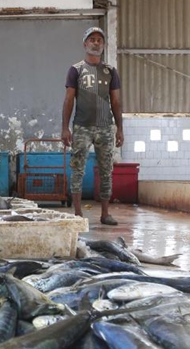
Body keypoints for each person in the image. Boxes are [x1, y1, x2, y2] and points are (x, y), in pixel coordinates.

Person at [61, 26, 124, 225]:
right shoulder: (76, 69)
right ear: (85, 44)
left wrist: (119, 128)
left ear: (104, 45)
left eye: (99, 40)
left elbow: (115, 101)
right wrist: (65, 127)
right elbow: (69, 99)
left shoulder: (110, 71)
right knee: (78, 168)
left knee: (106, 170)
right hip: (82, 126)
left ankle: (105, 214)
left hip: (106, 127)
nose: (96, 42)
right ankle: (78, 213)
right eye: (92, 39)